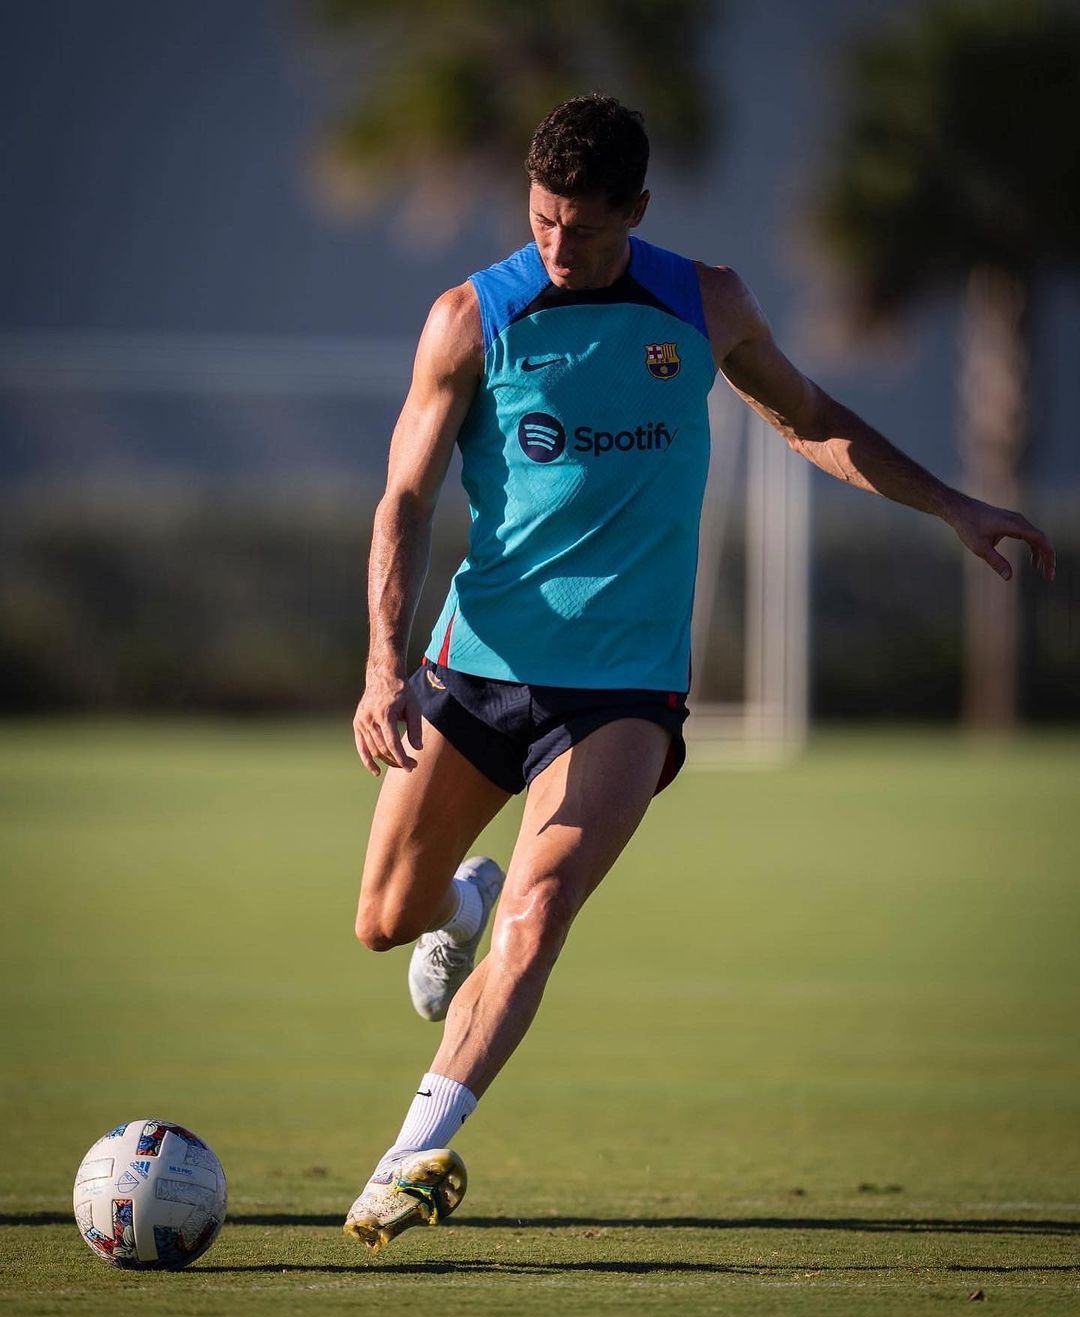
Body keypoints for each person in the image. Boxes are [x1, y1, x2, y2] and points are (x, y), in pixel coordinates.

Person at [344, 94, 1056, 1253]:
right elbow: (405, 501)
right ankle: (458, 902)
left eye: (581, 226)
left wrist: (953, 504)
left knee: (541, 912)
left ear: (636, 209)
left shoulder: (704, 301)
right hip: (477, 668)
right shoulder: (471, 318)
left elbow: (810, 418)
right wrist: (384, 666)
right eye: (540, 219)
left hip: (625, 690)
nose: (556, 245)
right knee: (384, 921)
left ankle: (405, 1158)